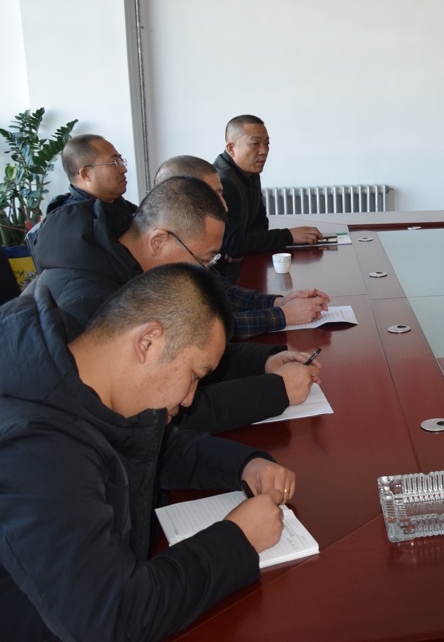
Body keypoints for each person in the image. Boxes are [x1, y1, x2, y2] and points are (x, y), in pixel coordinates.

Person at [0, 263, 296, 642]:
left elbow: (153, 446)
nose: (189, 399)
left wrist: (243, 464)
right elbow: (115, 617)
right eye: (194, 375)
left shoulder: (80, 365)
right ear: (148, 342)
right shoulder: (34, 449)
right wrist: (239, 539)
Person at [28, 176, 320, 434]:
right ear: (159, 241)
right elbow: (157, 416)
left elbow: (182, 355)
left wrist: (263, 361)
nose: (205, 271)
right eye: (202, 259)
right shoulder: (88, 302)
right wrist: (275, 391)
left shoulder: (122, 263)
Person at [156, 155, 330, 338]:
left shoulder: (186, 244)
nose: (224, 207)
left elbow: (222, 291)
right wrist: (283, 315)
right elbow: (201, 330)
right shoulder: (154, 263)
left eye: (221, 195)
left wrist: (280, 302)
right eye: (213, 197)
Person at [214, 114, 325, 281]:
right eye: (255, 144)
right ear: (231, 148)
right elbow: (233, 244)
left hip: (242, 264)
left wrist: (245, 246)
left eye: (267, 144)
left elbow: (260, 221)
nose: (264, 151)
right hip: (223, 277)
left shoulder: (250, 171)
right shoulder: (223, 182)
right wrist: (289, 235)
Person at [29, 134, 137, 262]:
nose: (123, 169)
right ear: (86, 174)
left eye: (120, 160)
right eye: (113, 163)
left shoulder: (119, 206)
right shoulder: (74, 225)